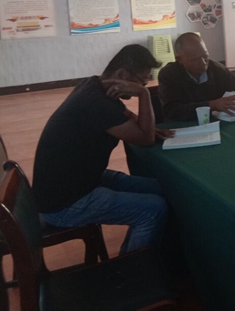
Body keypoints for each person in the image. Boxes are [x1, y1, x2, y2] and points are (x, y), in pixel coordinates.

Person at [32, 45, 173, 255]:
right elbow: (145, 139)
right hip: (64, 203)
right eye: (142, 82)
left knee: (162, 189)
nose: (143, 86)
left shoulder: (93, 85)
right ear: (122, 75)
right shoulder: (96, 103)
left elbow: (128, 117)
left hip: (81, 180)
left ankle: (151, 250)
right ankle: (133, 268)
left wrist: (148, 127)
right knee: (154, 209)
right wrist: (144, 95)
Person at [158, 32, 235, 122]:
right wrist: (212, 105)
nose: (203, 63)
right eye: (195, 60)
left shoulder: (218, 70)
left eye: (205, 56)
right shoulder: (169, 75)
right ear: (179, 59)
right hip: (182, 126)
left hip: (218, 122)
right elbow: (171, 111)